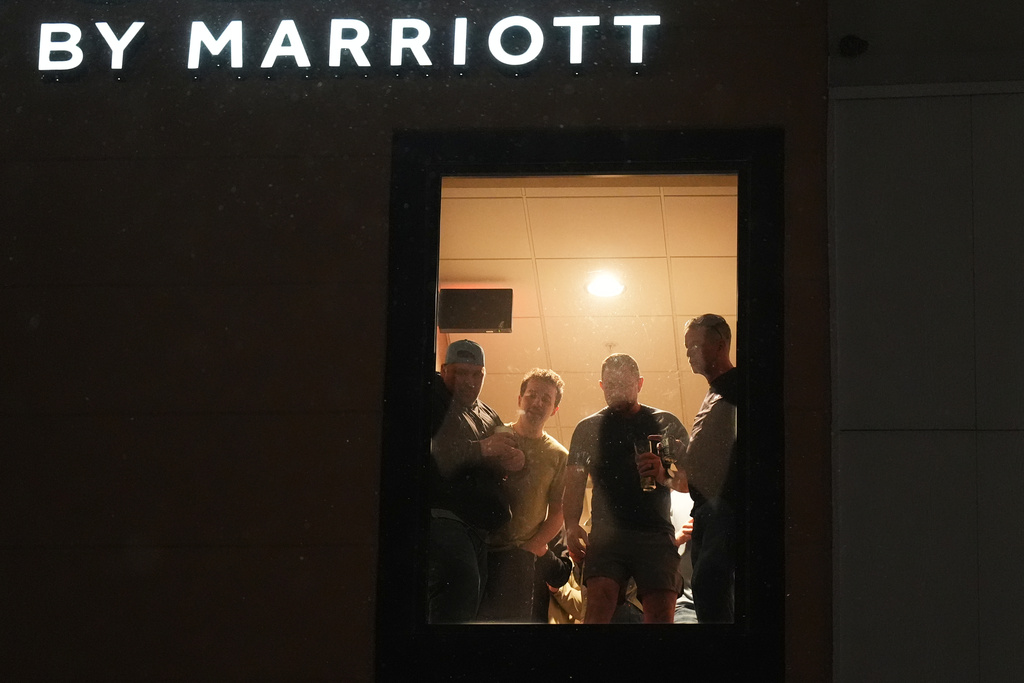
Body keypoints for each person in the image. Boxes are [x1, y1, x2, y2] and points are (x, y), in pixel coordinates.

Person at [562, 353, 689, 623]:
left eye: (624, 382)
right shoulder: (588, 428)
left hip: (655, 531)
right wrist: (571, 524)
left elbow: (688, 482)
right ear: (601, 385)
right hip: (607, 534)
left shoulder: (664, 424)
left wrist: (663, 474)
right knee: (598, 606)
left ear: (640, 383)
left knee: (660, 613)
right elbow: (573, 482)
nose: (616, 389)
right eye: (610, 384)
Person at [642, 314, 740, 623]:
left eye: (694, 345)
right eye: (686, 347)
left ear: (720, 344)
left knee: (712, 586)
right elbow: (693, 476)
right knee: (706, 588)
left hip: (725, 508)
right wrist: (668, 468)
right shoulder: (715, 394)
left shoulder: (736, 389)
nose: (688, 354)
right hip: (711, 510)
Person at [427, 339, 525, 624]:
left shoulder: (487, 412)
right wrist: (483, 448)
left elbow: (501, 457)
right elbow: (429, 454)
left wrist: (515, 461)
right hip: (445, 517)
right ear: (444, 370)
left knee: (468, 605)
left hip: (478, 527)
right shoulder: (430, 398)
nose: (470, 381)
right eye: (461, 373)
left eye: (477, 374)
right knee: (459, 596)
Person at [477, 368, 570, 622]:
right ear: (520, 399)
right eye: (532, 395)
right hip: (480, 550)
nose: (537, 403)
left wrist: (533, 547)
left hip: (519, 558)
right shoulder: (494, 435)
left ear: (554, 409)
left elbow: (559, 510)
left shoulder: (559, 456)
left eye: (546, 399)